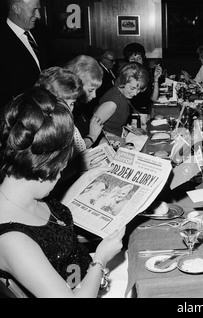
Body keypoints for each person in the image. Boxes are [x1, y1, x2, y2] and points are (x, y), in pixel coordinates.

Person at [0, 88, 125, 297]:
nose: (61, 175)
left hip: (87, 278)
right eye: (61, 168)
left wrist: (88, 176)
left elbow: (55, 221)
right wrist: (100, 260)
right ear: (45, 166)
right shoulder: (12, 241)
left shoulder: (25, 191)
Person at [34, 66, 104, 155]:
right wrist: (92, 137)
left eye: (72, 103)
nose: (69, 109)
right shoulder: (43, 128)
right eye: (63, 103)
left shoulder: (69, 123)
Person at [0, 0, 48, 109]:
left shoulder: (42, 32)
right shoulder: (2, 40)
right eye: (34, 10)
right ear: (16, 9)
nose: (39, 15)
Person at [94, 62, 149, 138]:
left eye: (138, 89)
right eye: (132, 88)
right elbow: (93, 129)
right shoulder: (112, 103)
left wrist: (131, 130)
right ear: (123, 81)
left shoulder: (122, 95)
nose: (135, 93)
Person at [65, 54, 104, 140]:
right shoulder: (66, 110)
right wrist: (92, 137)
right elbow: (73, 151)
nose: (94, 95)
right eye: (91, 90)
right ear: (76, 85)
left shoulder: (81, 106)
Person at [122, 42, 162, 116]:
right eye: (132, 59)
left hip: (145, 113)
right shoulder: (125, 77)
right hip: (132, 114)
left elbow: (154, 99)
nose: (136, 61)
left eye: (139, 58)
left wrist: (156, 78)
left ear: (143, 60)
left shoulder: (144, 74)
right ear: (128, 61)